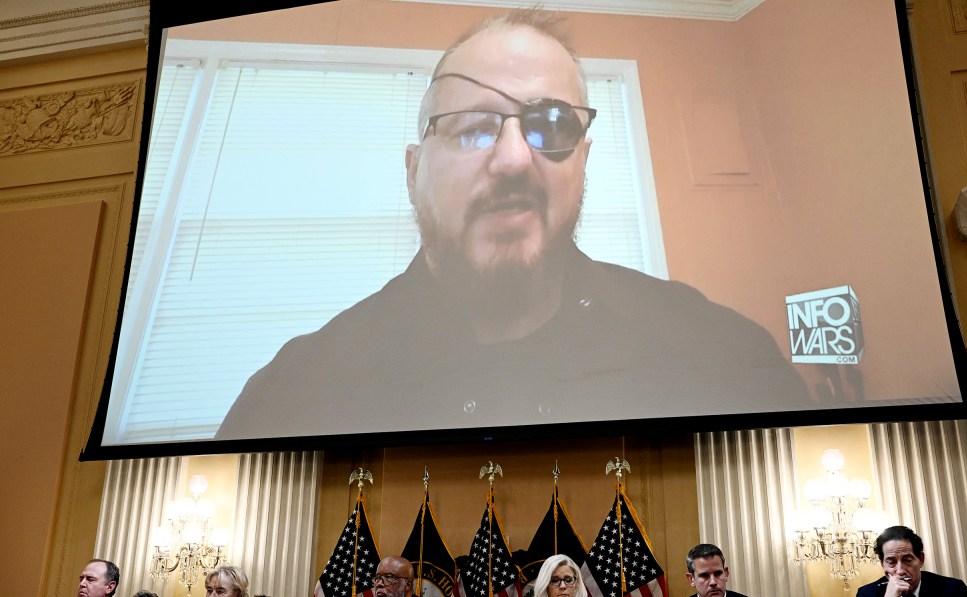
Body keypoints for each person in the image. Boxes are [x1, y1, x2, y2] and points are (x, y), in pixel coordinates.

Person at [215, 8, 809, 440]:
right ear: (414, 169)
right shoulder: (294, 394)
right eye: (473, 126)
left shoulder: (724, 357)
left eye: (551, 126)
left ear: (582, 160)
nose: (514, 158)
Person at [855, 525, 967, 597]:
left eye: (907, 560)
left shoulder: (952, 589)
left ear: (920, 559)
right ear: (882, 564)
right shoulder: (867, 595)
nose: (900, 571)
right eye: (891, 562)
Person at [660, 544, 764, 597]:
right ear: (691, 579)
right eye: (704, 576)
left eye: (718, 573)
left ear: (726, 573)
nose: (713, 582)